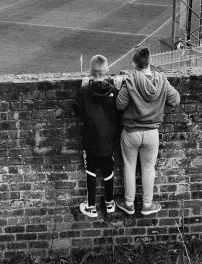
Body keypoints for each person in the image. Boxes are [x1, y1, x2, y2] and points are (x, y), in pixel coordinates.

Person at [115, 47, 181, 216]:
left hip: (131, 132)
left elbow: (120, 105)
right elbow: (175, 100)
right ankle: (147, 204)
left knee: (129, 167)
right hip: (151, 132)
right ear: (150, 60)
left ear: (134, 63)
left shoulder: (130, 79)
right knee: (148, 169)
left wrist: (119, 87)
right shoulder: (161, 79)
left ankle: (129, 203)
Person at [72, 55, 122, 218]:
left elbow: (77, 111)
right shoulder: (114, 91)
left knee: (91, 171)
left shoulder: (85, 91)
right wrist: (119, 90)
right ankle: (109, 203)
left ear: (90, 72)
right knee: (108, 170)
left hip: (91, 138)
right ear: (108, 72)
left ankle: (91, 206)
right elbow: (120, 111)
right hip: (108, 138)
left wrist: (82, 87)